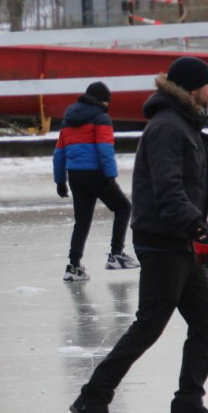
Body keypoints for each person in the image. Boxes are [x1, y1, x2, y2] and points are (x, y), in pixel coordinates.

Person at [69, 56, 208, 413]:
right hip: (163, 241)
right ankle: (93, 397)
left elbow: (186, 189)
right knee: (149, 325)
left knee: (207, 322)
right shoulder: (168, 127)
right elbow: (168, 189)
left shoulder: (184, 124)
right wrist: (198, 231)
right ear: (192, 88)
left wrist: (198, 234)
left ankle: (188, 404)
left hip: (179, 240)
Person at [53, 81, 138, 282]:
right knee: (123, 207)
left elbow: (59, 154)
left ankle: (73, 267)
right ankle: (116, 255)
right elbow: (105, 148)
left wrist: (60, 181)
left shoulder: (68, 120)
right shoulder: (101, 118)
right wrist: (110, 174)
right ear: (103, 100)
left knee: (82, 220)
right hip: (96, 173)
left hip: (75, 175)